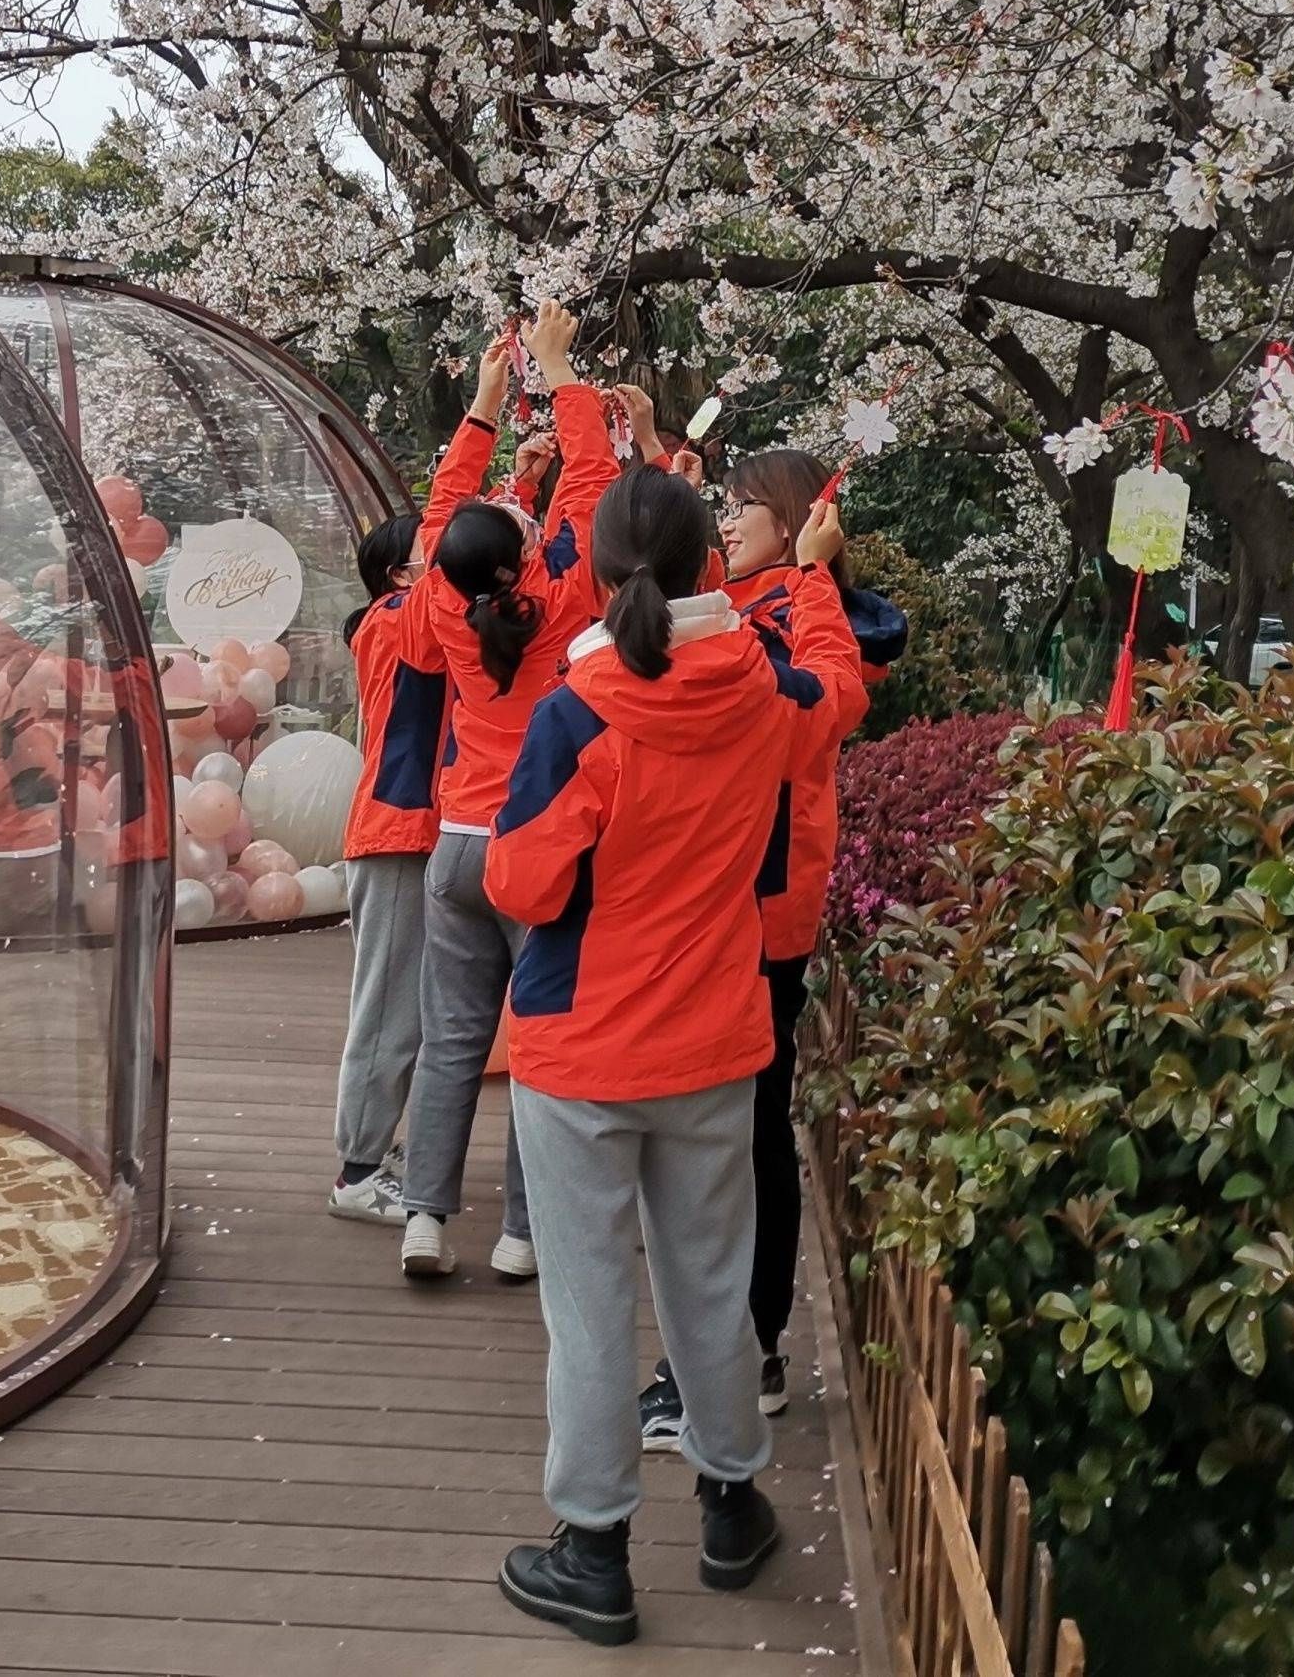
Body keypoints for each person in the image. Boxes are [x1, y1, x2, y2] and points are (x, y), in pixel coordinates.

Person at [480, 465, 865, 1645]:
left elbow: (522, 879)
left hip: (582, 1048)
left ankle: (594, 1552)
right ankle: (730, 1505)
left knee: (591, 1306)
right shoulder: (768, 696)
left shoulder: (577, 712)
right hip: (714, 1040)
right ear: (714, 570)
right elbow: (841, 691)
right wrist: (812, 570)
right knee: (708, 1280)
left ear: (595, 575)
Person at [639, 447, 906, 1450]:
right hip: (727, 902)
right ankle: (730, 1352)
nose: (727, 518)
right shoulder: (754, 599)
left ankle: (739, 1354)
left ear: (793, 522)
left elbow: (831, 693)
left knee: (742, 1136)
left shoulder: (799, 611)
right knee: (731, 1132)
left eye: (744, 505)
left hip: (761, 907)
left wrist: (813, 577)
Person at [395, 302, 619, 1281]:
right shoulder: (564, 604)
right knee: (536, 1044)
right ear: (524, 557)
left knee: (451, 1043)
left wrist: (483, 407)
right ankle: (522, 1234)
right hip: (537, 851)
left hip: (453, 848)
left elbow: (444, 512)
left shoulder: (442, 607)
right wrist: (560, 371)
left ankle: (424, 1220)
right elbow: (594, 490)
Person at [325, 337, 518, 1222]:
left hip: (424, 835)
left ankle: (385, 1159)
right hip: (400, 835)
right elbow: (452, 536)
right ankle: (358, 1171)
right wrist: (481, 417)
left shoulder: (418, 620)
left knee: (418, 1011)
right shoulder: (392, 624)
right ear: (406, 574)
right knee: (389, 1011)